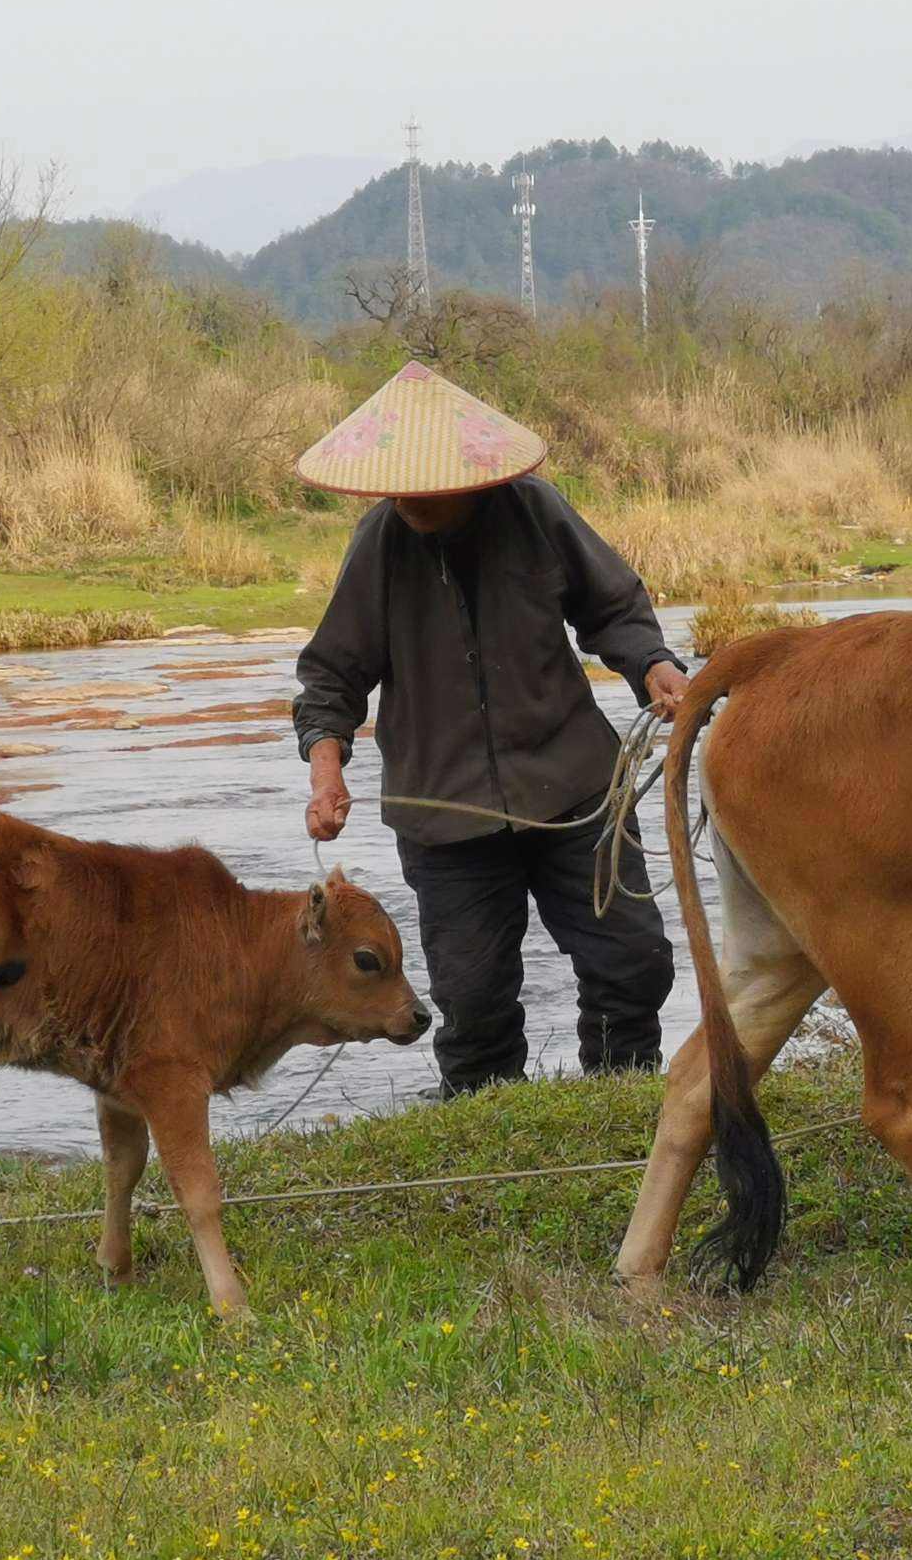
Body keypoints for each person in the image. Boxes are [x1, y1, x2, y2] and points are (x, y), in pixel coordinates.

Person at [290, 361, 690, 1098]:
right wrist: (326, 771)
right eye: (397, 486)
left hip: (575, 792)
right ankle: (482, 1117)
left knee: (632, 962)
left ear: (469, 476)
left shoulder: (536, 512)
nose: (409, 500)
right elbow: (331, 676)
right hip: (446, 815)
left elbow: (613, 610)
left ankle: (623, 1095)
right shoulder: (379, 543)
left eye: (426, 485)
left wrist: (654, 667)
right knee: (471, 1000)